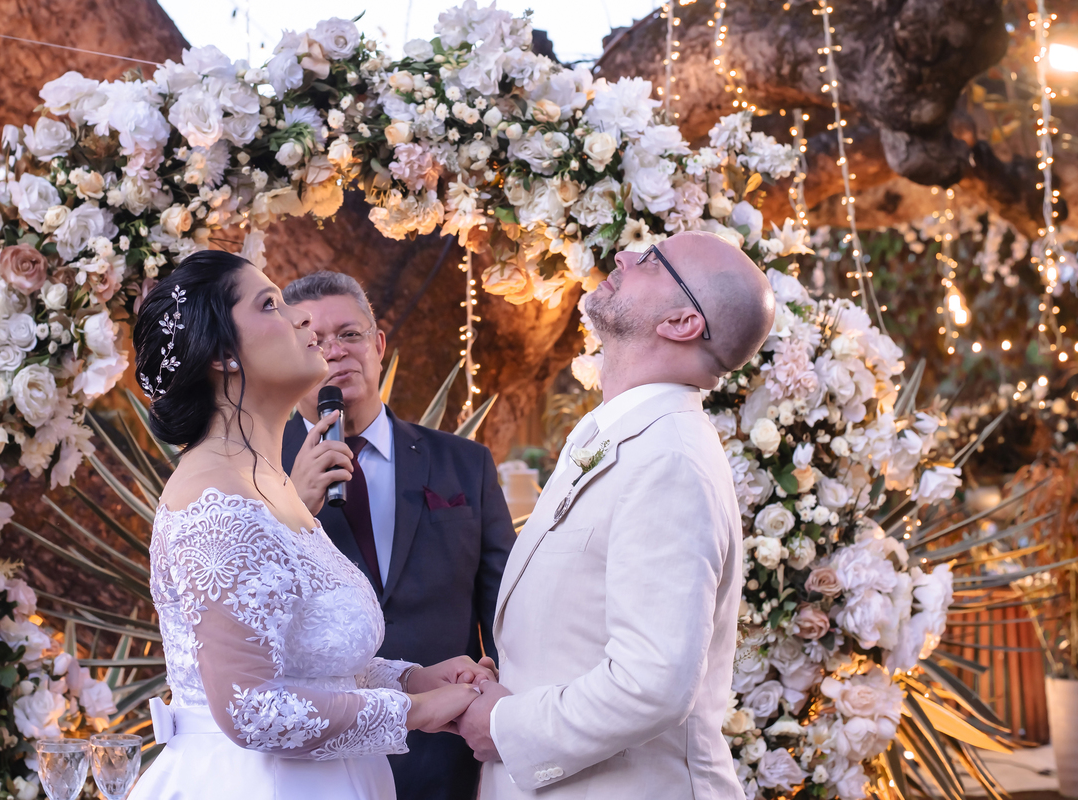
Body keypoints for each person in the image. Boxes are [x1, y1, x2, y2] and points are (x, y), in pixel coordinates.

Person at [130, 251, 496, 800]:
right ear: (225, 355)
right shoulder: (216, 500)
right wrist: (414, 710)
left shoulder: (264, 483)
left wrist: (409, 677)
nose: (303, 320)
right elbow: (249, 708)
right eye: (271, 305)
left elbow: (303, 659)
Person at [457, 231, 777, 799]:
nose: (626, 255)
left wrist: (505, 726)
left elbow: (652, 683)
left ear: (681, 322)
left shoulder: (669, 459)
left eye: (653, 259)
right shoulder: (613, 434)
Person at [280, 271, 517, 800]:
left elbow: (506, 613)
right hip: (317, 763)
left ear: (379, 344)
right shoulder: (257, 479)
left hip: (450, 753)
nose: (334, 352)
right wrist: (292, 509)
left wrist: (506, 722)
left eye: (349, 334)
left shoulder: (464, 463)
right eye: (312, 341)